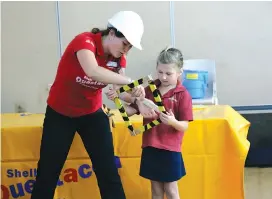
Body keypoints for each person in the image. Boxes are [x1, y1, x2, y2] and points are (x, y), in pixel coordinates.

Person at [30, 11, 145, 199]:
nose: (126, 51)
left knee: (108, 171)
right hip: (60, 114)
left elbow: (119, 91)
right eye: (125, 44)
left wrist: (138, 96)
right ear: (112, 33)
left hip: (92, 114)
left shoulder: (118, 58)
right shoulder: (85, 42)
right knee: (48, 173)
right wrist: (128, 80)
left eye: (130, 47)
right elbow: (93, 71)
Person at [106, 47, 193, 199]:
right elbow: (131, 111)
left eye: (168, 73)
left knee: (171, 190)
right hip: (150, 146)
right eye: (160, 72)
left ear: (179, 72)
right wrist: (116, 100)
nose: (164, 77)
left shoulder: (183, 94)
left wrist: (172, 122)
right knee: (156, 190)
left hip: (170, 149)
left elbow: (184, 125)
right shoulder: (149, 89)